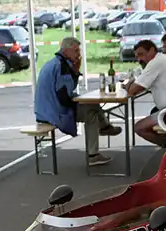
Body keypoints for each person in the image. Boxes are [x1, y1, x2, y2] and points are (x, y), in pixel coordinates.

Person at [34, 37, 123, 167]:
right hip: (53, 112)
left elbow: (65, 92)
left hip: (45, 109)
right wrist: (78, 101)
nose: (79, 54)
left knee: (91, 104)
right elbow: (64, 98)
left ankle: (105, 127)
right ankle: (93, 154)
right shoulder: (62, 66)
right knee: (90, 113)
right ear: (65, 51)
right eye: (76, 51)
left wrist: (75, 72)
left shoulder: (57, 62)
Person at [123, 39, 166, 147]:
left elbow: (132, 90)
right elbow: (141, 87)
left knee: (139, 128)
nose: (139, 59)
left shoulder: (155, 63)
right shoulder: (164, 58)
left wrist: (131, 82)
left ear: (151, 50)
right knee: (154, 113)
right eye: (137, 56)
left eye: (141, 54)